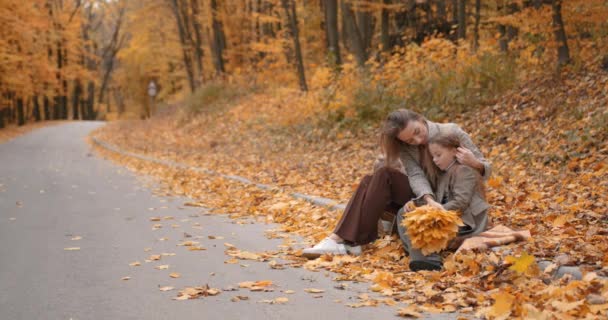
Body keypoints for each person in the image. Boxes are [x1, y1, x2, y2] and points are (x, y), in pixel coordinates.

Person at [302, 109, 491, 271]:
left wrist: (474, 163)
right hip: (429, 195)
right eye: (409, 140)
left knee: (381, 175)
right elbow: (416, 175)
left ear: (420, 119)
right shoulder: (407, 147)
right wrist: (427, 198)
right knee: (373, 178)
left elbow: (485, 170)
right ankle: (343, 239)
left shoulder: (450, 131)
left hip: (451, 199)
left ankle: (348, 239)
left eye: (417, 131)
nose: (417, 140)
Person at [396, 130, 490, 271]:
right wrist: (416, 204)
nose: (435, 160)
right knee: (404, 213)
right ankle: (418, 253)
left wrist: (434, 211)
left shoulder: (464, 170)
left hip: (466, 221)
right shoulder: (445, 172)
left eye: (438, 155)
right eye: (433, 156)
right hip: (451, 215)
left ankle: (428, 260)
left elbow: (461, 203)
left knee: (423, 222)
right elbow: (439, 199)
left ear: (454, 151)